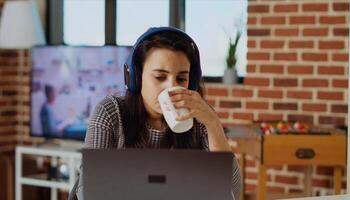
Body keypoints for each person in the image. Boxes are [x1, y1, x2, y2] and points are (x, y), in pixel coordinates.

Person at [69, 27, 241, 200]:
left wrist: (212, 123)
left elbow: (231, 189)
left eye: (181, 79)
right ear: (136, 77)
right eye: (160, 77)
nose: (172, 88)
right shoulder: (110, 112)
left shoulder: (200, 118)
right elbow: (88, 189)